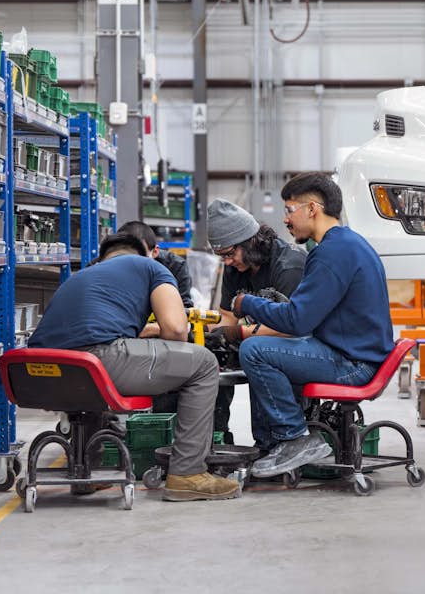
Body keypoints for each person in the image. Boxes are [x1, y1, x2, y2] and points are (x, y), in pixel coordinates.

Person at [27, 232, 239, 501]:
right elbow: (176, 330)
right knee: (203, 363)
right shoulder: (151, 267)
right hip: (96, 361)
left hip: (37, 374)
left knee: (90, 382)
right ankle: (187, 474)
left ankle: (87, 471)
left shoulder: (80, 276)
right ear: (147, 253)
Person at [231, 172, 395, 478]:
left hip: (353, 363)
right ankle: (277, 441)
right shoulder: (348, 244)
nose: (286, 220)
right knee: (270, 349)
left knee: (255, 350)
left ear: (311, 209)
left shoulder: (332, 252)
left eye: (289, 210)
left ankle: (295, 438)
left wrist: (248, 304)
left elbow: (297, 320)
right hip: (354, 352)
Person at [204, 198, 308, 444]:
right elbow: (227, 315)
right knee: (207, 357)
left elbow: (289, 329)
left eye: (230, 254)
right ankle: (217, 439)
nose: (227, 262)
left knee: (258, 351)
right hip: (260, 338)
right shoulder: (235, 268)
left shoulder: (288, 265)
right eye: (222, 257)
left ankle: (277, 443)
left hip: (298, 344)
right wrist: (200, 329)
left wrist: (237, 334)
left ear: (250, 241)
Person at [118, 220, 194, 308]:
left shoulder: (175, 266)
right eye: (124, 257)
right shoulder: (104, 265)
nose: (131, 263)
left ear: (155, 251)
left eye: (139, 257)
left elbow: (184, 308)